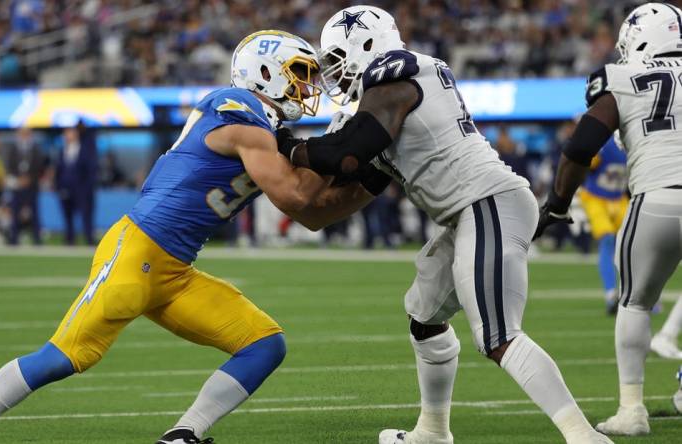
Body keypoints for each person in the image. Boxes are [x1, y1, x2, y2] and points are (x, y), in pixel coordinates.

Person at [0, 30, 355, 444]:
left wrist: (361, 173)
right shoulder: (239, 108)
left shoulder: (265, 130)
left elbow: (313, 213)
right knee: (65, 356)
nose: (308, 84)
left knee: (264, 344)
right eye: (299, 72)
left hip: (174, 271)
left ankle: (183, 433)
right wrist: (343, 147)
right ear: (266, 72)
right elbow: (295, 195)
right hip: (138, 250)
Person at [279, 6, 611, 443]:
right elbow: (351, 184)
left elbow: (346, 153)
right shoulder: (386, 106)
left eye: (337, 58)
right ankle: (432, 432)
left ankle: (583, 435)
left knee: (499, 336)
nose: (334, 74)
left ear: (365, 46)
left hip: (488, 202)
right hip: (470, 213)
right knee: (425, 317)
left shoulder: (393, 72)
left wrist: (281, 143)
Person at [533, 3, 682, 437]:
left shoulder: (620, 77)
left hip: (654, 199)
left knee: (635, 301)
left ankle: (632, 409)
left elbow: (581, 146)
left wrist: (558, 203)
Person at [578, 136, 628, 314]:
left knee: (634, 242)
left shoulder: (634, 138)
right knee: (607, 240)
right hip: (596, 197)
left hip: (619, 198)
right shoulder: (604, 141)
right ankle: (611, 294)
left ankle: (638, 294)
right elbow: (585, 163)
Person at [55, 123, 97, 245]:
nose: (67, 136)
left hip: (82, 190)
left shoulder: (85, 149)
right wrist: (59, 186)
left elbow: (91, 170)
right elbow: (59, 170)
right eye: (65, 133)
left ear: (76, 134)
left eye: (69, 132)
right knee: (67, 215)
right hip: (66, 189)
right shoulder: (62, 150)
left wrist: (87, 187)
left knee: (86, 215)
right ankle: (70, 239)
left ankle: (89, 239)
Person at [4, 127, 43, 245]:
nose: (24, 135)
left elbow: (39, 166)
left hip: (32, 186)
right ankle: (14, 238)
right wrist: (18, 179)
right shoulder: (13, 149)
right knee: (15, 212)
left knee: (35, 212)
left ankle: (37, 239)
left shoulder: (36, 149)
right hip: (17, 186)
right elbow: (10, 166)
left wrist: (30, 178)